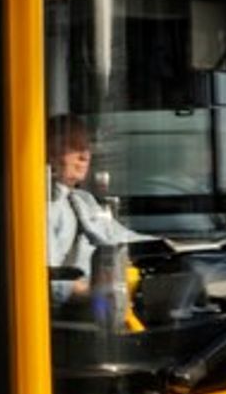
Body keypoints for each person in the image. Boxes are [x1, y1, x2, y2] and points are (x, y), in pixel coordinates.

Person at [46, 115, 156, 308]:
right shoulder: (39, 208)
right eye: (74, 146)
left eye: (86, 147)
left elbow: (122, 238)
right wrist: (94, 296)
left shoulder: (84, 200)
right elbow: (51, 280)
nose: (85, 156)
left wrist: (172, 247)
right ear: (48, 152)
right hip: (76, 313)